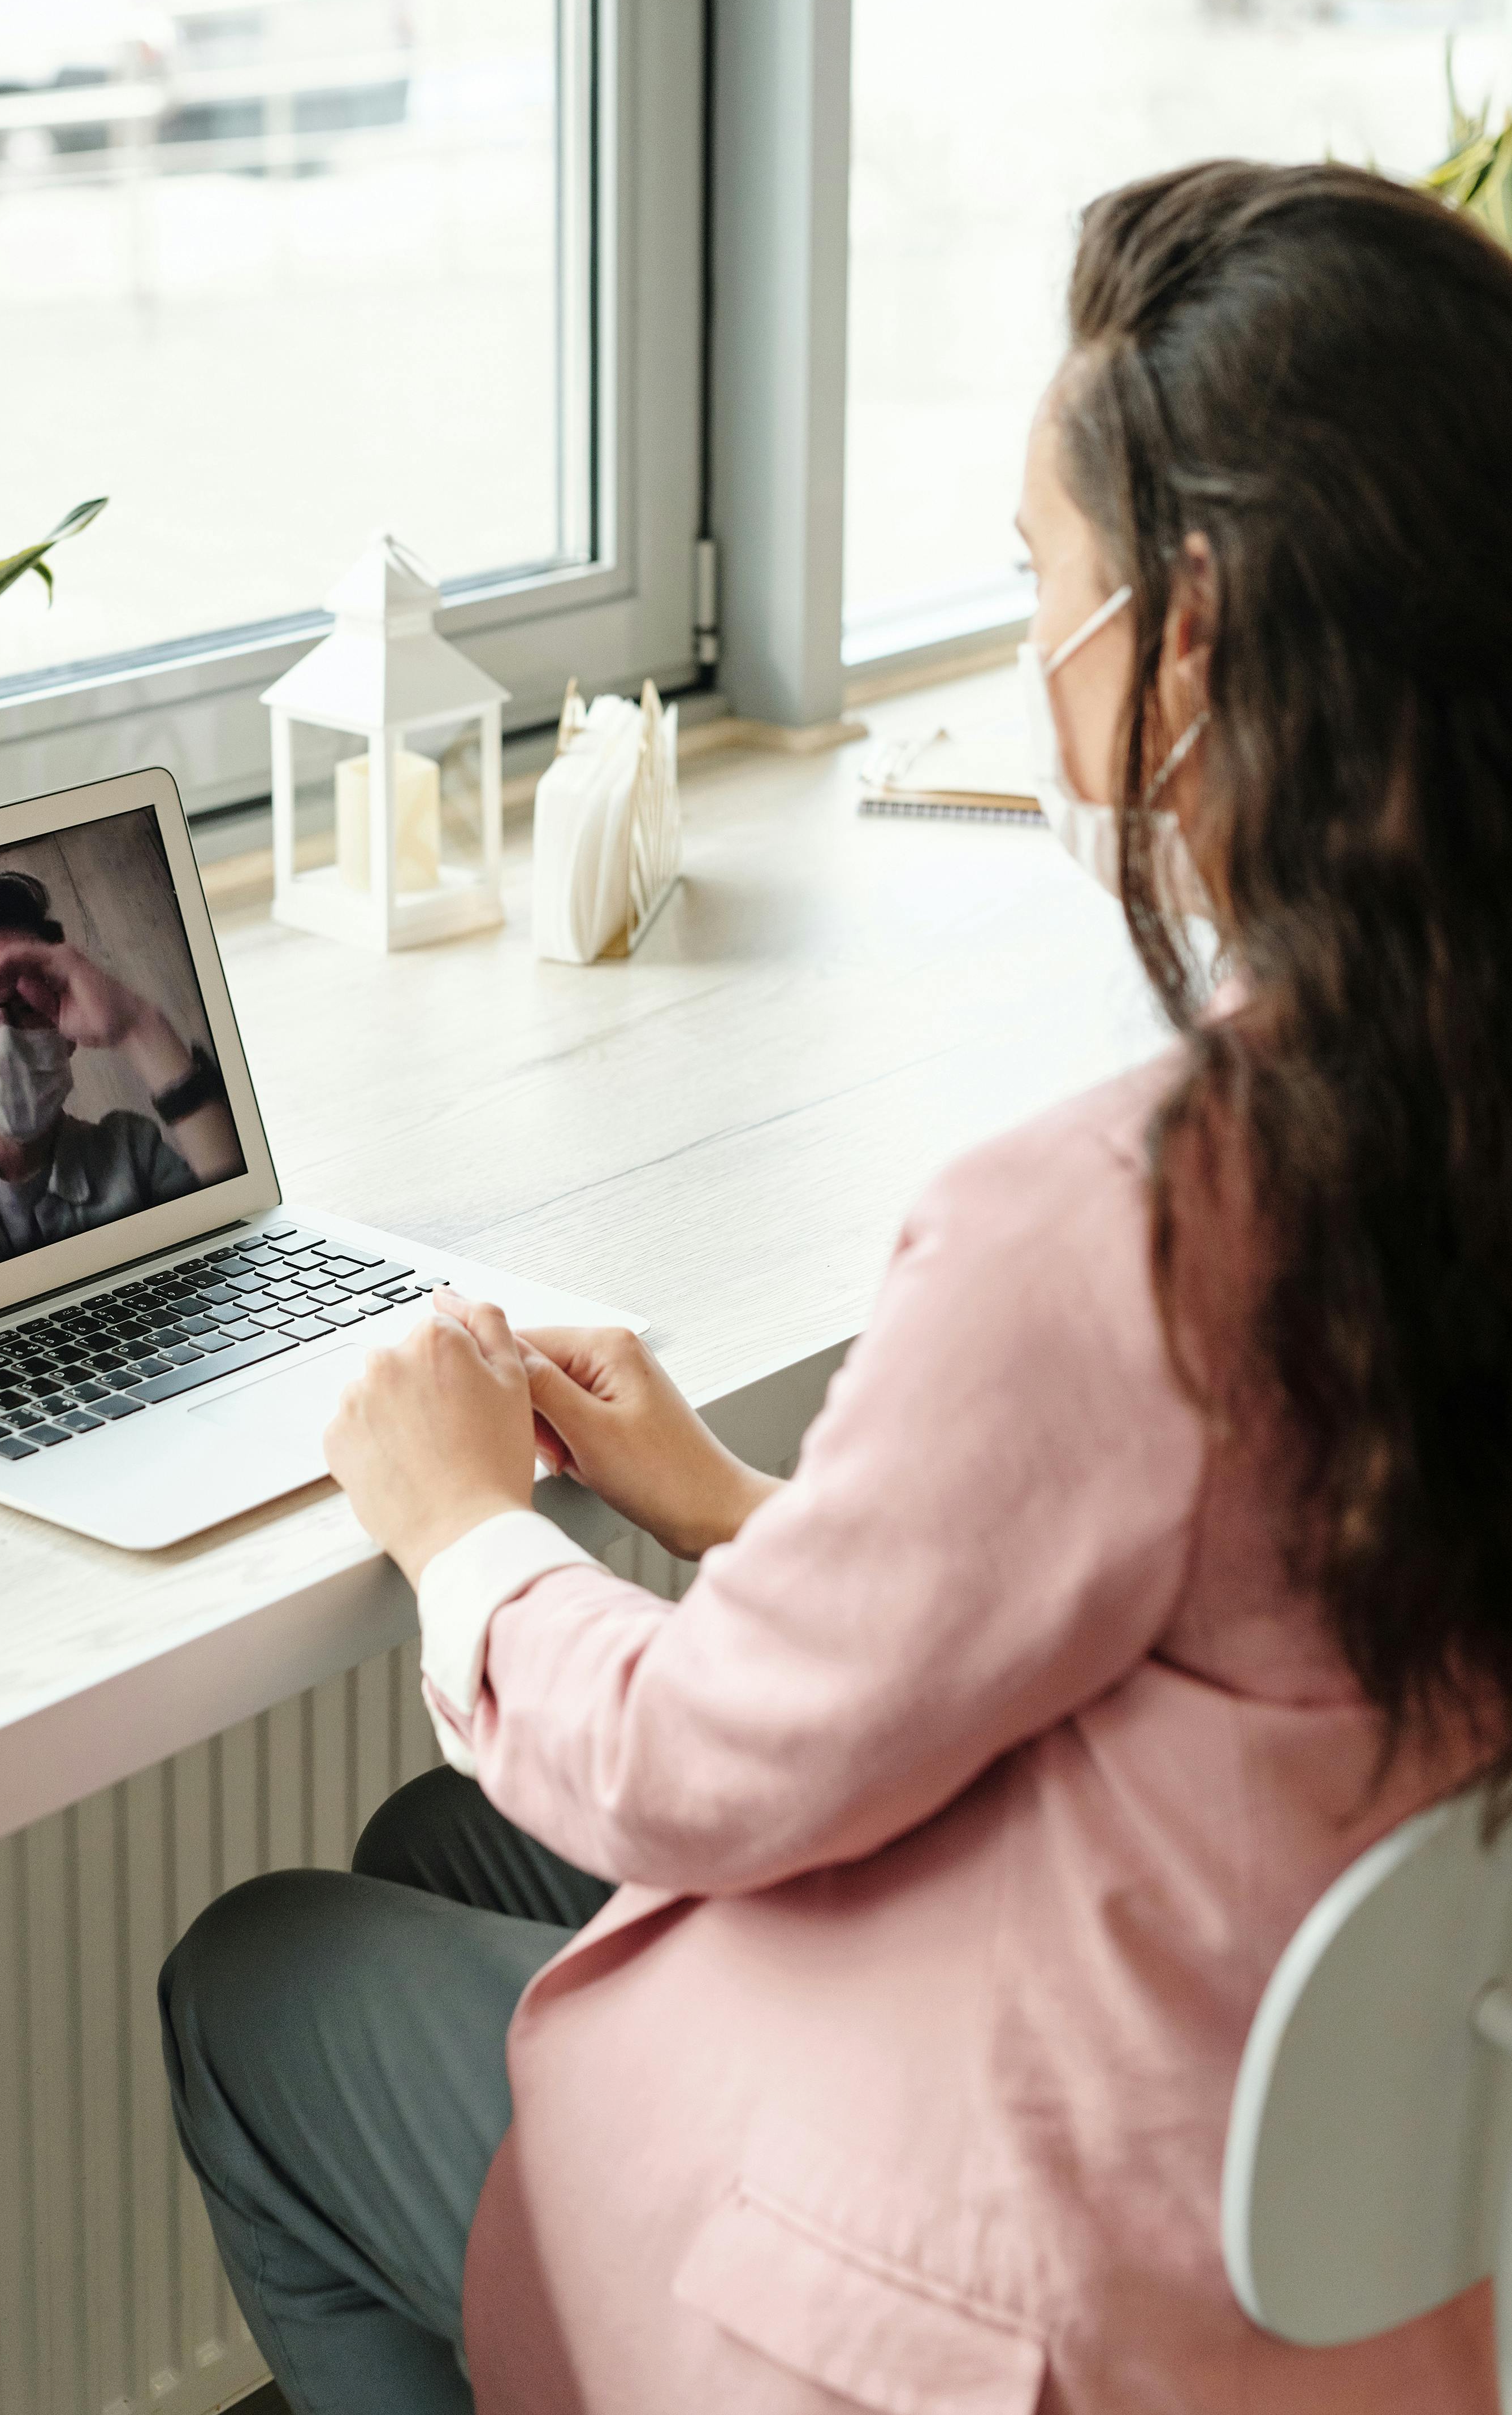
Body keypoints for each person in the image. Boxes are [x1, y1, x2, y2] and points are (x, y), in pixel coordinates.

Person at [158, 162, 1512, 2414]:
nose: (1027, 648)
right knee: (440, 1839)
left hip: (1048, 2304)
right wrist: (716, 1502)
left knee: (262, 1977)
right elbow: (1188, 1634)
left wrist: (454, 1521)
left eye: (1036, 586)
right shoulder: (1428, 1130)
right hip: (1332, 2253)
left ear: (1181, 644)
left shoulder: (1131, 1225)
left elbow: (695, 1767)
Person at [0, 868, 241, 1309]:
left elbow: (242, 1238)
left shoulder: (133, 1155)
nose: (6, 1040)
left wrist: (138, 1026)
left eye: (28, 1007)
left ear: (66, 1029)